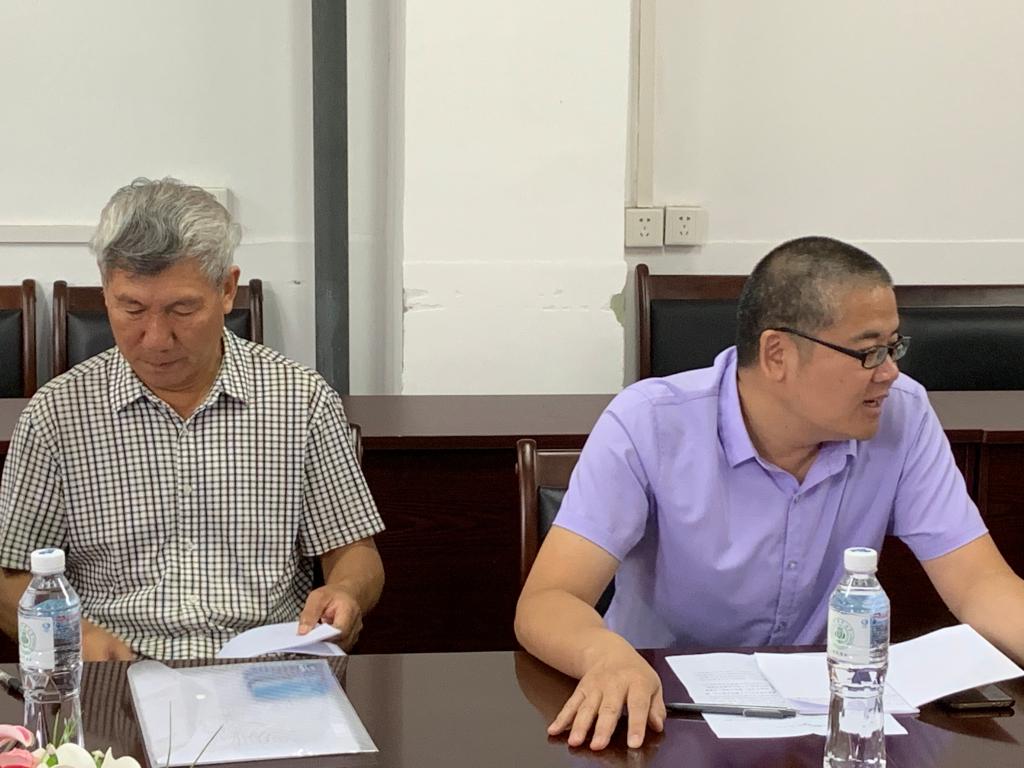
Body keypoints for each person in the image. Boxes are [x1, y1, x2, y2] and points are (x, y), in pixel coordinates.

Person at [514, 236, 1024, 751]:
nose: (890, 372)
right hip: (663, 716)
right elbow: (549, 600)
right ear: (777, 354)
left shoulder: (903, 416)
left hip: (821, 726)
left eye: (894, 347)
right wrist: (605, 655)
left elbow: (980, 583)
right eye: (869, 352)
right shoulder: (648, 424)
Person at [0, 177, 384, 660]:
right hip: (117, 669)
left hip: (266, 671)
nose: (156, 338)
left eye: (182, 309)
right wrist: (79, 639)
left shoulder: (300, 400)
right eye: (132, 308)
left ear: (226, 289)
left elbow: (354, 552)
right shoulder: (57, 414)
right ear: (106, 292)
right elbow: (12, 577)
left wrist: (346, 592)